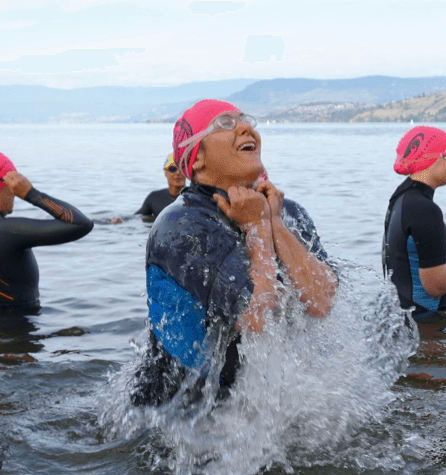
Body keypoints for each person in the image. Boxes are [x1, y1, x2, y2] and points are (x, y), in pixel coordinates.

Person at [139, 99, 337, 405]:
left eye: (244, 119)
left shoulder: (286, 212)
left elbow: (323, 301)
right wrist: (258, 230)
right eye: (225, 124)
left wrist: (272, 223)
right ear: (197, 158)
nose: (246, 127)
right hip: (176, 415)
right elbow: (257, 321)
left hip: (250, 405)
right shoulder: (180, 225)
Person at [0, 150, 94, 309]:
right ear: (3, 184)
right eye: (14, 186)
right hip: (19, 329)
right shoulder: (5, 231)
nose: (14, 194)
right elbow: (82, 224)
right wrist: (31, 194)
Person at [382, 126, 446, 319]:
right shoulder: (423, 209)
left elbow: (417, 260)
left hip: (404, 322)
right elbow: (436, 286)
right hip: (425, 327)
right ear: (432, 158)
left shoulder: (401, 198)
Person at [135, 153, 185, 218]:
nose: (178, 173)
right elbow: (137, 217)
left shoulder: (194, 198)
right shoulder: (154, 198)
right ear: (165, 172)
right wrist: (121, 219)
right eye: (173, 169)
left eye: (182, 169)